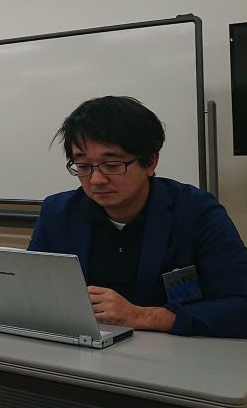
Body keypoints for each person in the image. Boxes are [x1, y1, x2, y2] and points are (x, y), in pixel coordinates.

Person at [29, 96, 247, 338]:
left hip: (172, 352)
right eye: (83, 166)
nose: (96, 180)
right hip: (84, 350)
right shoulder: (57, 213)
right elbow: (30, 293)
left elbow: (241, 304)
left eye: (112, 165)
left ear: (150, 162)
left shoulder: (195, 212)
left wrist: (142, 316)